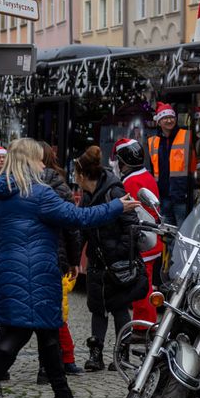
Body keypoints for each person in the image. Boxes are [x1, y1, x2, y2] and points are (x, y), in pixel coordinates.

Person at [0, 138, 137, 398]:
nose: (43, 164)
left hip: (8, 274)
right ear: (29, 162)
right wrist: (117, 207)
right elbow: (78, 217)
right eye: (39, 159)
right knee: (14, 338)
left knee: (48, 337)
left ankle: (63, 397)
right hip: (35, 276)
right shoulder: (39, 194)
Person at [76, 148, 146, 372]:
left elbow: (132, 226)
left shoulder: (114, 191)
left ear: (83, 175)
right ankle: (95, 356)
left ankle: (121, 355)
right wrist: (75, 257)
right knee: (98, 308)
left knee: (119, 308)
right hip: (97, 261)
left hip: (116, 263)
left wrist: (118, 253)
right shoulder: (87, 195)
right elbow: (82, 228)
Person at [40, 142, 84, 377]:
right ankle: (60, 361)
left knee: (52, 312)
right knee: (55, 312)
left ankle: (57, 362)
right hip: (54, 257)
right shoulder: (60, 184)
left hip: (46, 257)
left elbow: (72, 226)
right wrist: (74, 259)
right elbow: (73, 227)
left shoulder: (21, 184)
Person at [114, 138, 164, 326]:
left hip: (142, 242)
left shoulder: (130, 181)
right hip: (150, 239)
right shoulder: (146, 176)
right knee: (145, 286)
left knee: (141, 288)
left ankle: (144, 325)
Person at [147, 102, 197, 224]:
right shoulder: (152, 141)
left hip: (181, 194)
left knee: (183, 230)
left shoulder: (186, 136)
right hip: (163, 196)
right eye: (165, 118)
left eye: (171, 117)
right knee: (166, 233)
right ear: (159, 122)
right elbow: (152, 170)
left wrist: (193, 188)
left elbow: (192, 165)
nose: (169, 120)